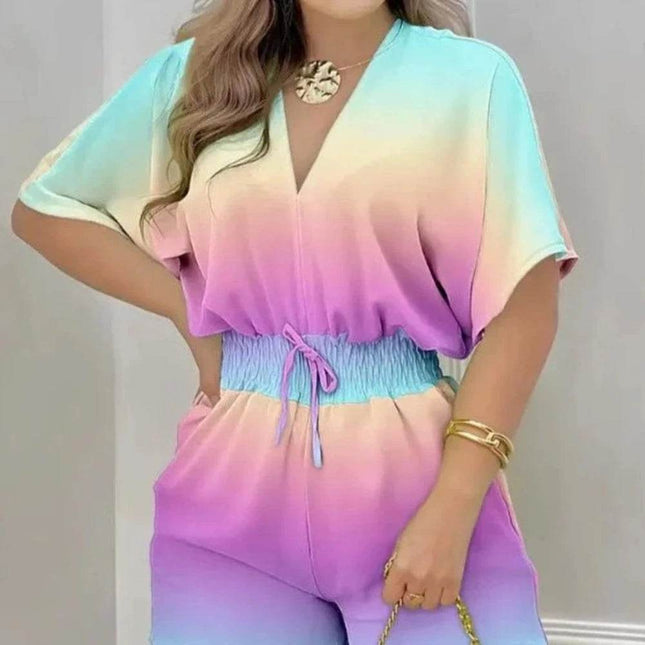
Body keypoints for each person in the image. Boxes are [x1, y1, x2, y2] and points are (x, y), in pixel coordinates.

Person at [11, 1, 579, 643]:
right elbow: (47, 210)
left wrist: (453, 506)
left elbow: (524, 308)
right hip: (230, 485)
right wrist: (188, 316)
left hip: (414, 482)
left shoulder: (471, 80)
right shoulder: (194, 77)